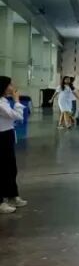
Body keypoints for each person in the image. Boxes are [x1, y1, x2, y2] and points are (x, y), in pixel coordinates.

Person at [0, 76, 26, 213]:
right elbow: (17, 116)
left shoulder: (4, 100)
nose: (13, 87)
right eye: (10, 84)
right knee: (2, 169)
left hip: (7, 135)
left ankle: (11, 196)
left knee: (10, 168)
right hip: (1, 136)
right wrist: (17, 101)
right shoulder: (0, 104)